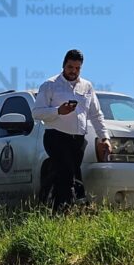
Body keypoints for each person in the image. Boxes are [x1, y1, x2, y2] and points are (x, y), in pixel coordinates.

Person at [31, 49, 112, 212]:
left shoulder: (87, 86)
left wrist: (104, 137)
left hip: (78, 139)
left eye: (77, 68)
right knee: (67, 172)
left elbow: (96, 114)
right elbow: (36, 113)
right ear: (63, 65)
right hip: (56, 137)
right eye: (70, 67)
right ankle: (65, 211)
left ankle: (52, 207)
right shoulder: (50, 85)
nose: (73, 71)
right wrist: (58, 111)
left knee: (68, 174)